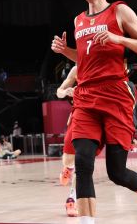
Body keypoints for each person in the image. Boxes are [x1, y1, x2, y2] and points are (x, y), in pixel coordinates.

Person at [51, 0, 137, 223]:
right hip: (85, 96)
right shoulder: (78, 20)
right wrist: (66, 52)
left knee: (117, 172)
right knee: (83, 162)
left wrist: (119, 39)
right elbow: (85, 59)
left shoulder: (119, 11)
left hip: (116, 95)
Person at [56, 64, 79, 217]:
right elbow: (58, 92)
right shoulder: (77, 69)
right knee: (68, 160)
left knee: (83, 164)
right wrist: (65, 92)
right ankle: (68, 169)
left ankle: (72, 199)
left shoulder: (104, 65)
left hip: (95, 118)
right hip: (77, 115)